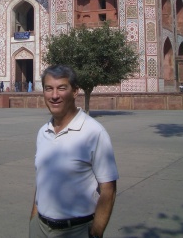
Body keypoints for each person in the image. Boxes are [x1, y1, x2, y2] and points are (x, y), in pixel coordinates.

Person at [29, 65, 119, 238]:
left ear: (75, 91)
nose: (54, 95)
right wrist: (33, 219)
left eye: (62, 88)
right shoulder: (43, 132)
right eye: (49, 89)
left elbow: (108, 189)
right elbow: (42, 180)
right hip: (40, 227)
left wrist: (96, 232)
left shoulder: (93, 132)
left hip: (76, 230)